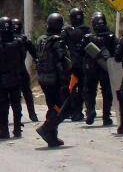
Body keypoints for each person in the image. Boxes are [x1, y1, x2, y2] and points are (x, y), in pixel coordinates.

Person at [0, 16, 25, 139]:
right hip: (15, 77)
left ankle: (4, 131)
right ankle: (17, 129)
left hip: (1, 80)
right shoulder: (18, 42)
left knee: (2, 106)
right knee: (16, 105)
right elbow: (22, 57)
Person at [34, 12, 69, 147]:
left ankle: (52, 137)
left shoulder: (41, 40)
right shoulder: (58, 41)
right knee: (63, 106)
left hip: (43, 78)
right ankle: (47, 128)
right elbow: (61, 63)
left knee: (52, 106)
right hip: (55, 79)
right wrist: (64, 82)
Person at [81, 12, 115, 126]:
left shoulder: (88, 38)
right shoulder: (111, 36)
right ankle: (106, 116)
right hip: (106, 68)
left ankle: (90, 111)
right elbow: (116, 53)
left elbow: (81, 52)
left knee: (89, 91)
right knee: (107, 92)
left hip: (91, 68)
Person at [60, 7, 89, 121]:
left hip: (72, 65)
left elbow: (61, 46)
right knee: (84, 88)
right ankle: (83, 111)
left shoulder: (67, 31)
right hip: (86, 64)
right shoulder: (87, 30)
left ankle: (75, 112)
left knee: (72, 89)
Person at [11, 17, 39, 122]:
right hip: (20, 69)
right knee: (27, 93)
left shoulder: (5, 40)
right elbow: (35, 54)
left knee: (3, 93)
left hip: (9, 71)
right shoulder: (24, 40)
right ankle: (32, 114)